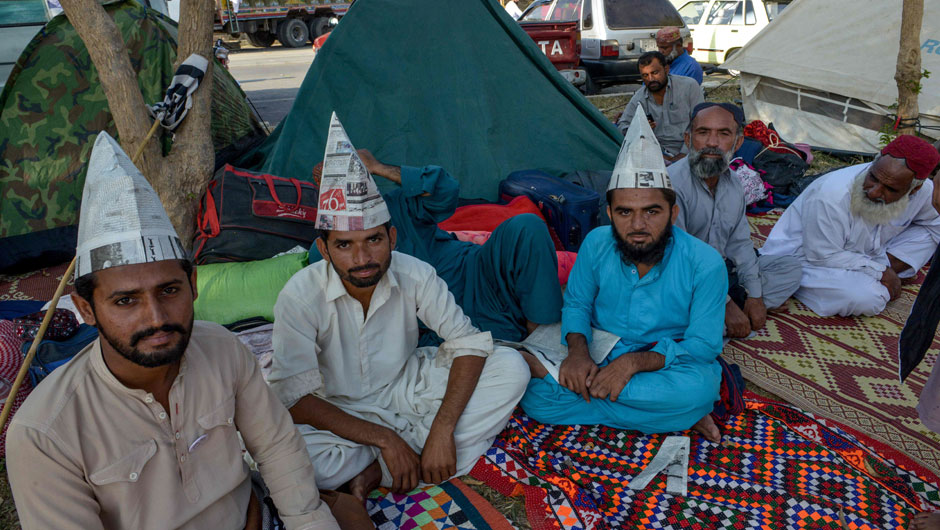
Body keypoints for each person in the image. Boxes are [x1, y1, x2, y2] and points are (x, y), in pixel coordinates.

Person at [6, 132, 370, 530]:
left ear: (193, 286)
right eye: (126, 301)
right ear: (85, 309)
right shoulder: (44, 433)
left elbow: (276, 445)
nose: (156, 317)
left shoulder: (221, 348)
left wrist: (307, 521)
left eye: (169, 290)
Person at [270, 113, 529, 501]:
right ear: (323, 250)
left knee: (511, 367)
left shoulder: (415, 273)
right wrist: (385, 438)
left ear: (391, 237)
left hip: (408, 387)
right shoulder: (300, 294)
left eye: (374, 240)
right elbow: (297, 398)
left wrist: (442, 429)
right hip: (336, 413)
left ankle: (383, 467)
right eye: (344, 245)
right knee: (286, 459)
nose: (362, 258)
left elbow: (469, 343)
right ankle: (404, 459)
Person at [519, 108, 728, 442]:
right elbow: (576, 304)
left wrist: (633, 364)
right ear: (610, 213)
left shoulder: (705, 262)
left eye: (652, 212)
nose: (638, 226)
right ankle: (673, 416)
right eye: (625, 212)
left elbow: (702, 345)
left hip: (664, 359)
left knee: (698, 390)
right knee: (535, 400)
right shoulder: (596, 243)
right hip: (600, 349)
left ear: (673, 214)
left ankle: (605, 398)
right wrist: (577, 353)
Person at [309, 151, 563, 344]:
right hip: (429, 324)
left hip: (478, 280)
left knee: (527, 226)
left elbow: (445, 191)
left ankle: (543, 341)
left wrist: (378, 167)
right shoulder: (326, 250)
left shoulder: (396, 207)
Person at [761, 135, 940, 317]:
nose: (873, 191)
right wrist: (881, 271)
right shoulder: (832, 194)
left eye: (890, 189)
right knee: (867, 298)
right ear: (874, 163)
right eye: (873, 177)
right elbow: (822, 254)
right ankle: (789, 283)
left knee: (934, 228)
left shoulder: (923, 192)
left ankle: (877, 271)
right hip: (807, 259)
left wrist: (885, 266)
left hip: (866, 255)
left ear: (914, 189)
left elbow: (935, 223)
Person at [669, 102, 802, 337]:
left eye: (723, 134)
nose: (712, 142)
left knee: (790, 268)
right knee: (698, 323)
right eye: (703, 133)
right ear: (688, 139)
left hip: (722, 271)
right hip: (682, 277)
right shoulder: (672, 185)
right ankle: (722, 315)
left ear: (738, 142)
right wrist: (727, 304)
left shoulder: (734, 184)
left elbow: (740, 244)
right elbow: (678, 258)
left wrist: (755, 295)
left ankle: (732, 311)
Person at [616, 51, 704, 162]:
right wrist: (639, 128)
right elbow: (622, 126)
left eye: (655, 73)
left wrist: (683, 154)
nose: (651, 79)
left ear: (666, 69)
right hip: (655, 155)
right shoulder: (640, 97)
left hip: (690, 151)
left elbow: (701, 123)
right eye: (645, 75)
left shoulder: (689, 87)